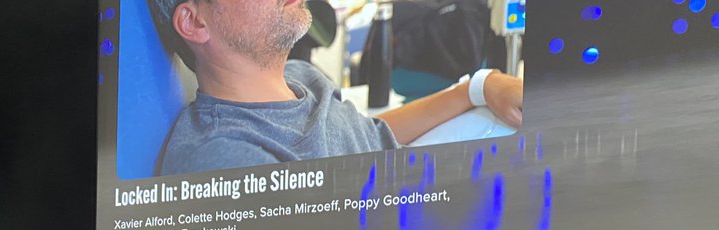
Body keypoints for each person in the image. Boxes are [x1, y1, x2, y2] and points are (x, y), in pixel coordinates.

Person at [149, 0, 524, 176]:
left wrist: (477, 88)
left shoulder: (302, 78)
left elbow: (373, 135)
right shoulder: (226, 155)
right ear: (195, 22)